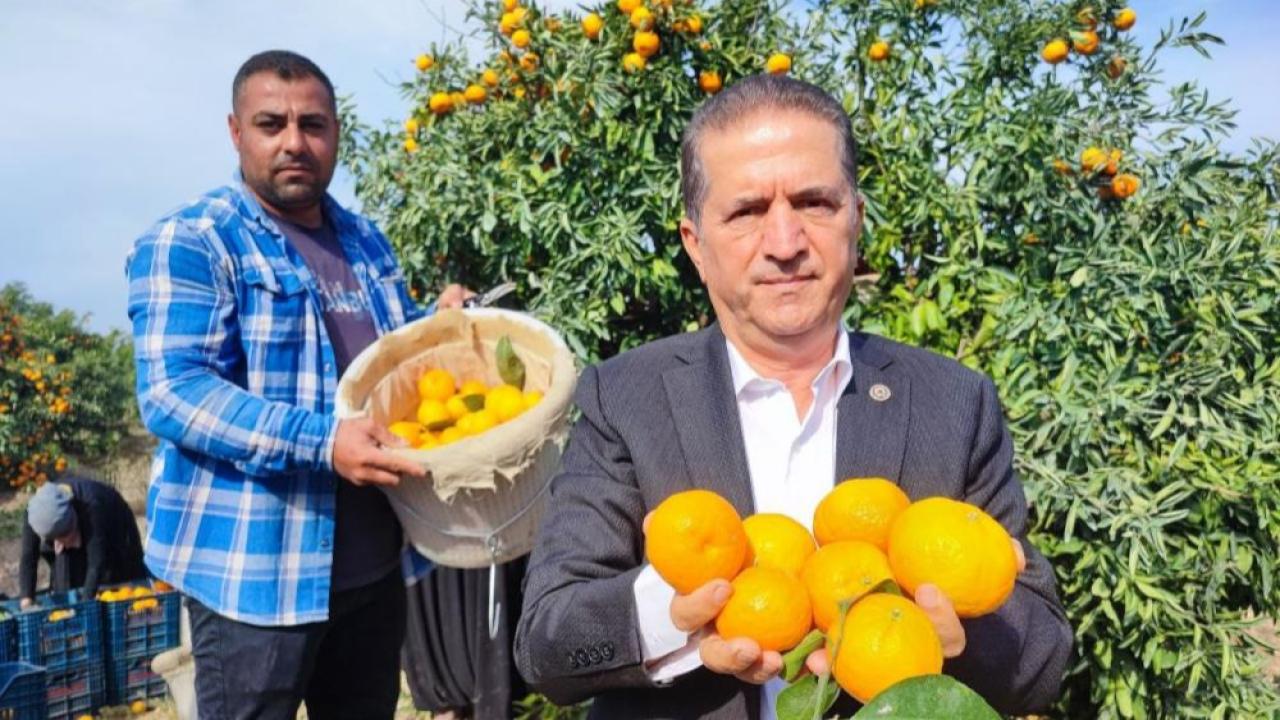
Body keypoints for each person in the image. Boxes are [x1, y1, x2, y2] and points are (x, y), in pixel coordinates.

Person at [513, 74, 1074, 719]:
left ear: (855, 221)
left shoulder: (955, 403)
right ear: (696, 245)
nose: (784, 244)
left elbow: (1042, 661)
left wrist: (958, 641)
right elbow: (546, 648)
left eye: (814, 203)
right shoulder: (627, 398)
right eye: (747, 211)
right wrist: (671, 618)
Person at [126, 49, 469, 719]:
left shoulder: (365, 242)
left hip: (373, 565)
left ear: (336, 131)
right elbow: (174, 391)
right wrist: (323, 443)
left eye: (313, 124)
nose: (294, 142)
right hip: (255, 577)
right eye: (271, 123)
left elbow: (384, 364)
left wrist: (441, 329)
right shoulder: (194, 240)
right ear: (236, 132)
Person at [18, 475, 147, 606]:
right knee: (65, 583)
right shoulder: (34, 513)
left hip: (114, 526)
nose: (65, 546)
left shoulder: (92, 506)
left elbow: (96, 563)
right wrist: (26, 601)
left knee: (115, 582)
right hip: (71, 527)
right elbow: (28, 556)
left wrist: (85, 606)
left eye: (67, 537)